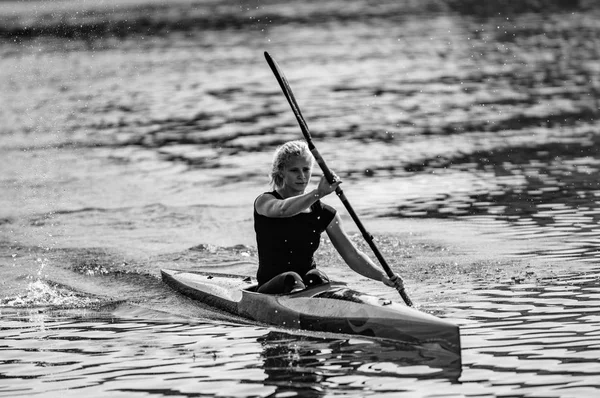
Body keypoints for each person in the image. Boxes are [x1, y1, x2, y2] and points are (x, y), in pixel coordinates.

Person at [254, 140, 405, 294]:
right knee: (291, 278)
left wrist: (383, 276)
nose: (302, 176)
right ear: (281, 172)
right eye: (294, 170)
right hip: (272, 287)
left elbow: (352, 255)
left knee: (317, 276)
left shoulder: (325, 214)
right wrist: (318, 193)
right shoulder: (265, 201)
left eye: (306, 169)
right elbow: (282, 210)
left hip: (308, 285)